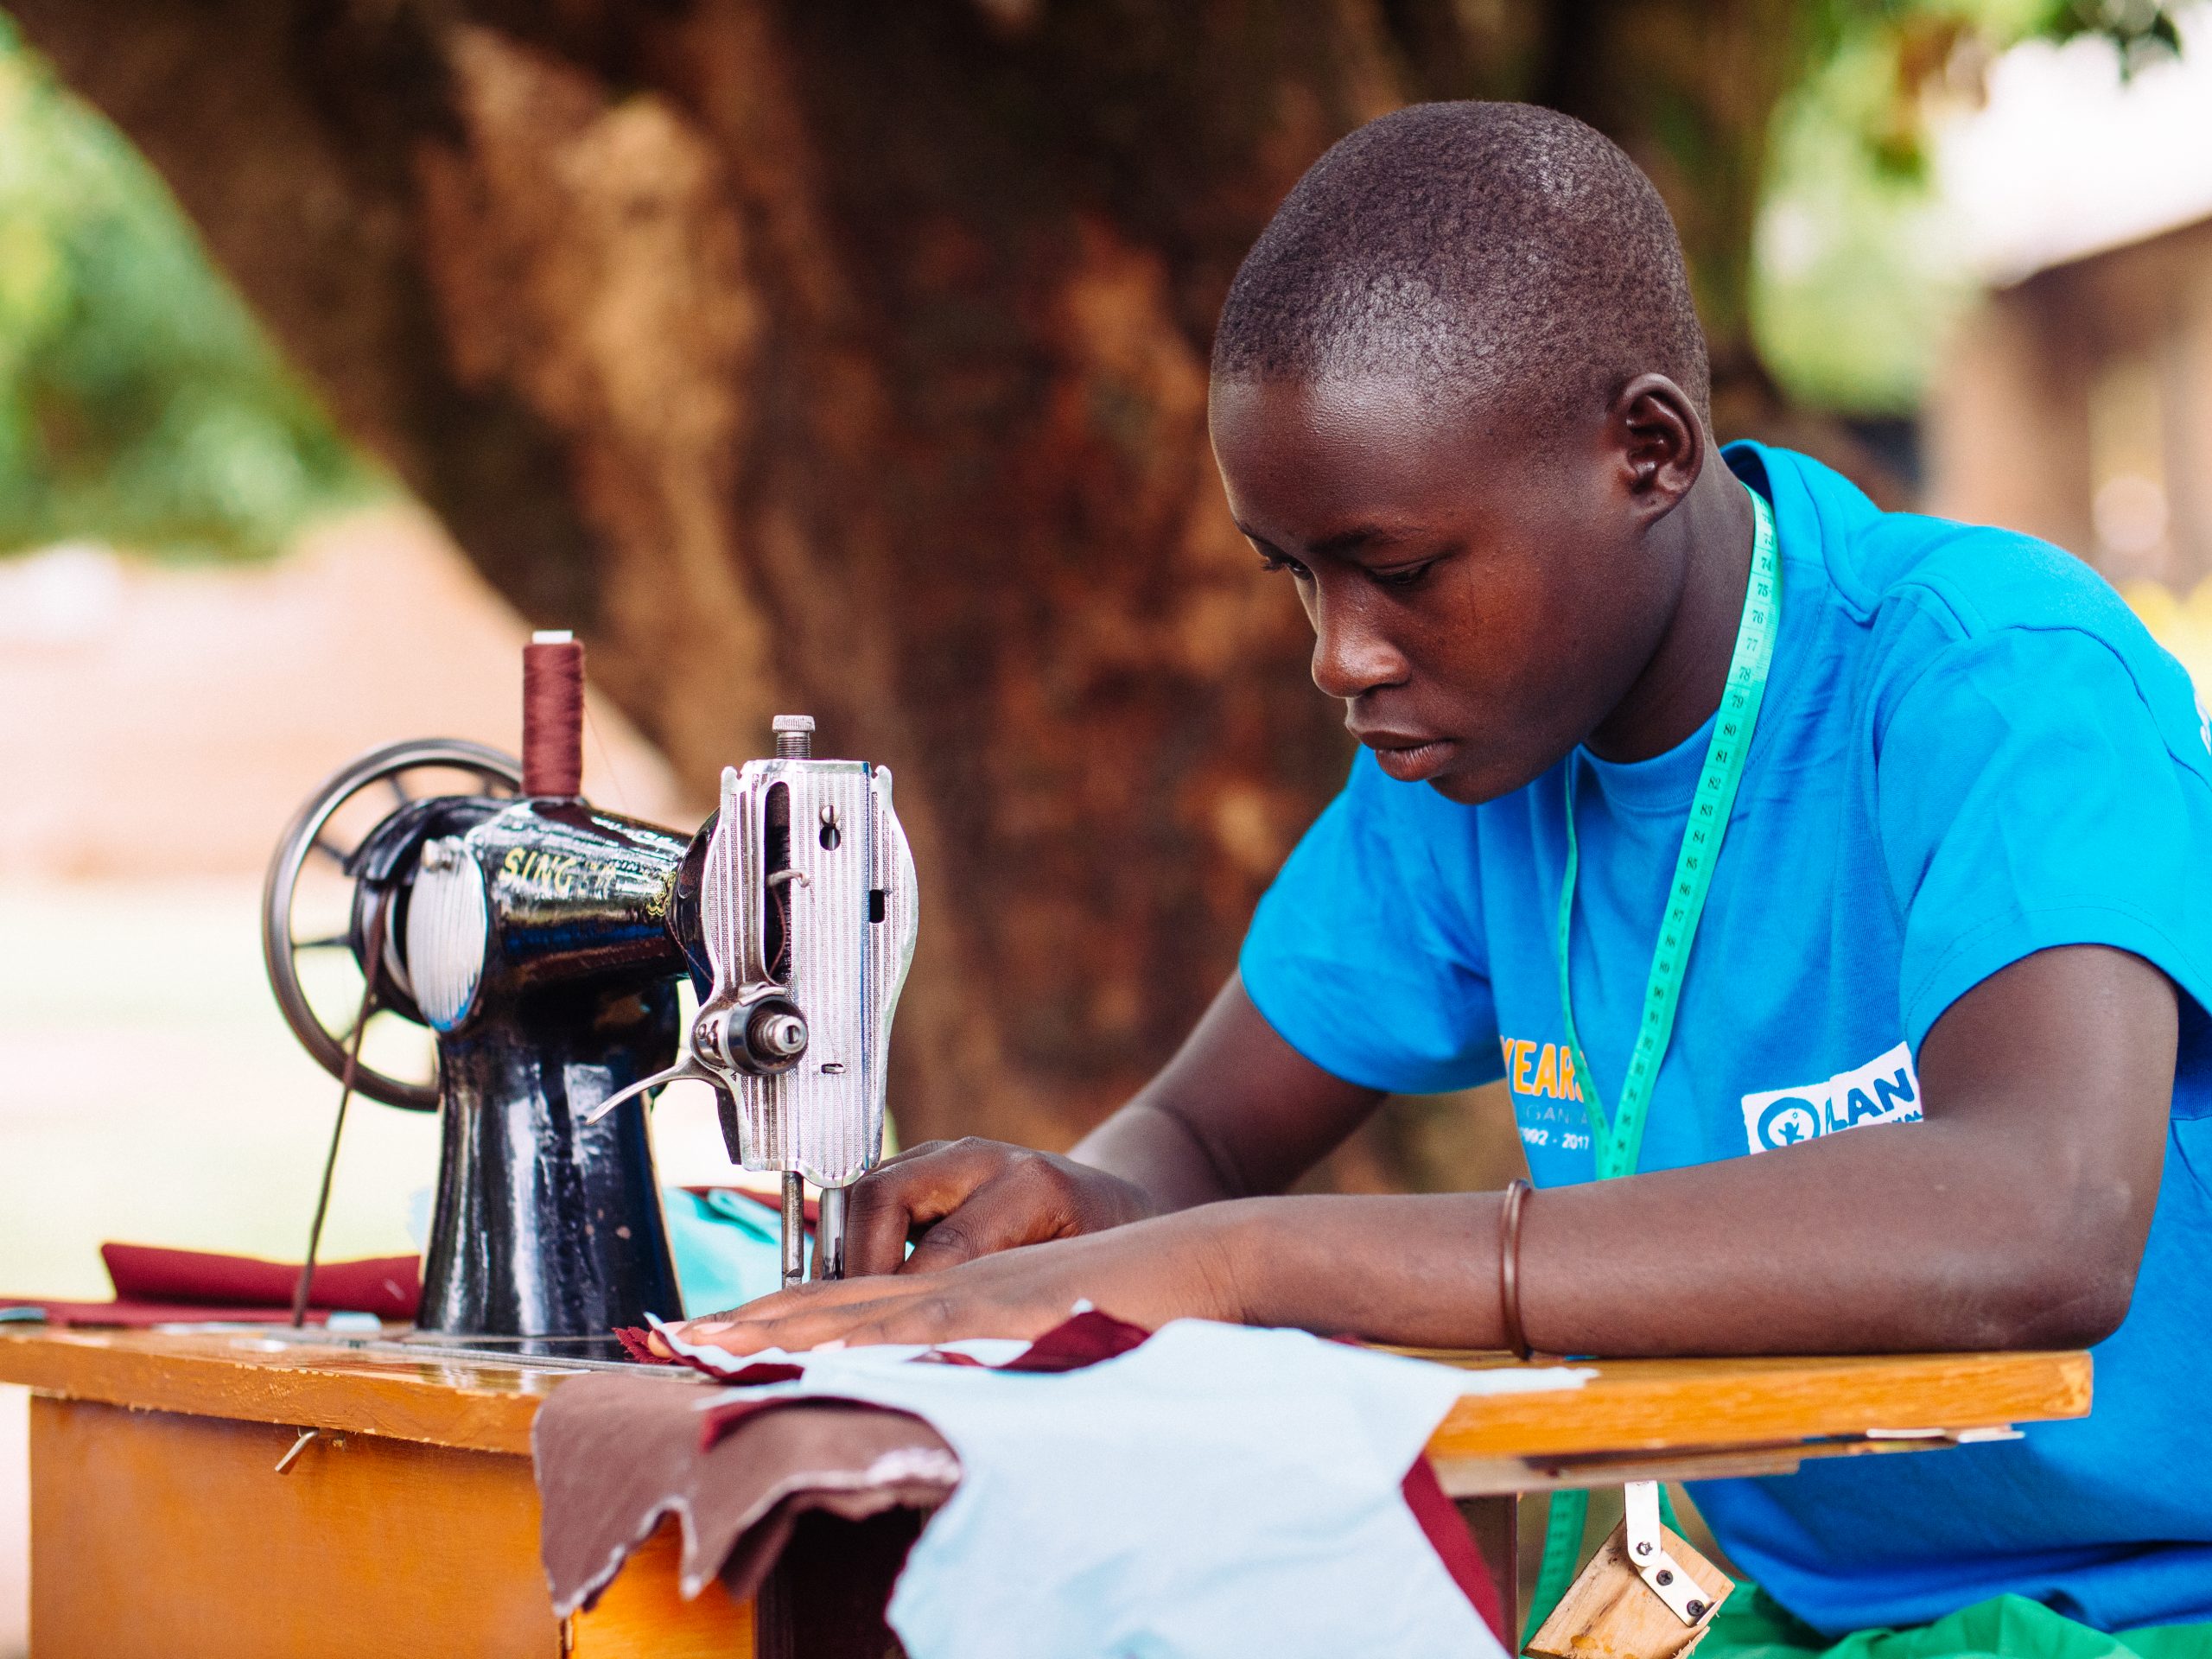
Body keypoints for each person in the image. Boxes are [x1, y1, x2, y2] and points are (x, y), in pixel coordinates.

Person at [662, 103, 2212, 1643]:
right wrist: (1084, 1210)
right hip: (1799, 1612)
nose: (1340, 657)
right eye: (1298, 579)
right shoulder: (1478, 765)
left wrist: (1248, 1261)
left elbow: (2040, 1218)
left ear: (1648, 451)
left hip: (2146, 1599)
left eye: (1398, 573)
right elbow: (1201, 1133)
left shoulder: (1993, 686)